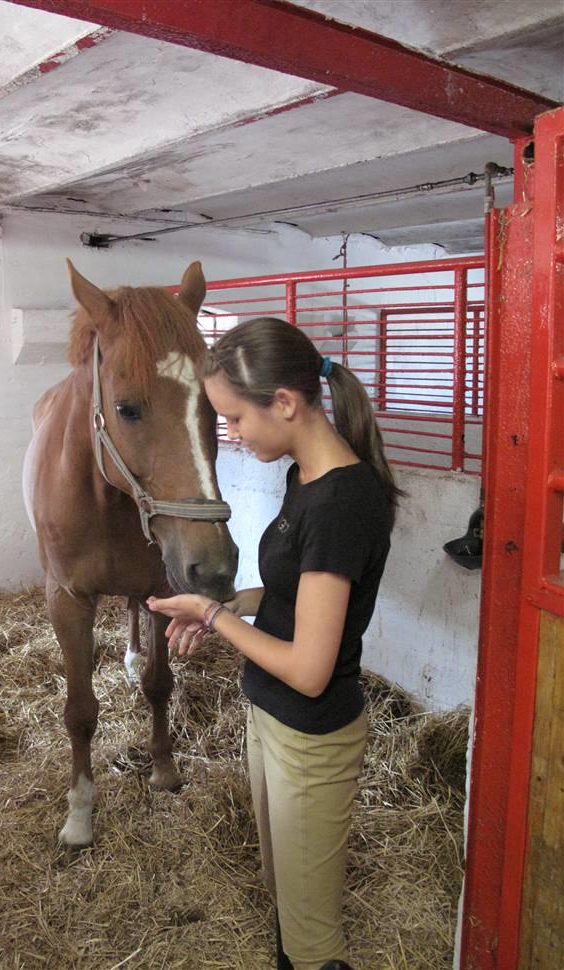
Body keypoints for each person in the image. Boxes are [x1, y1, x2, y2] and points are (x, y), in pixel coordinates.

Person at [148, 317, 402, 970]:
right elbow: (290, 597)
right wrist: (229, 608)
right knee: (282, 893)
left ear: (284, 404)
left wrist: (213, 612)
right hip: (271, 717)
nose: (231, 434)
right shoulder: (305, 480)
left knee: (312, 938)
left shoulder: (340, 503)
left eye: (234, 418)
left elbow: (312, 669)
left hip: (312, 734)